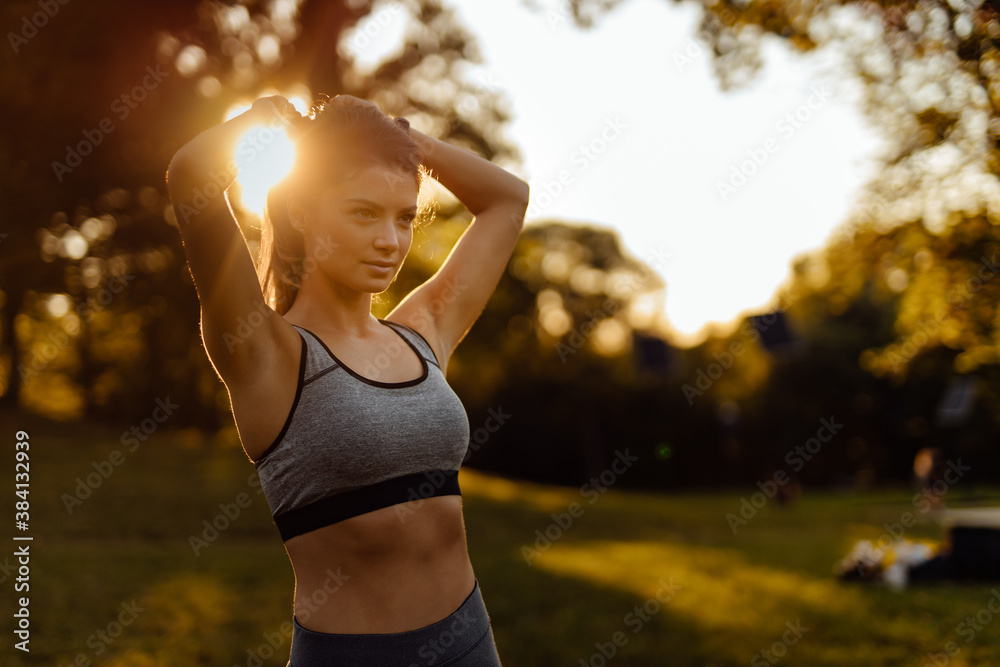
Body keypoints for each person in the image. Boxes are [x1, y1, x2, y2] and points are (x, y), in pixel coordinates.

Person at [165, 93, 528, 666]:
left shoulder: (423, 332)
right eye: (363, 212)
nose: (391, 239)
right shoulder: (265, 353)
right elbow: (190, 175)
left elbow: (508, 199)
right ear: (303, 212)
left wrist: (414, 146)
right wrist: (263, 121)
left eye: (404, 217)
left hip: (468, 642)